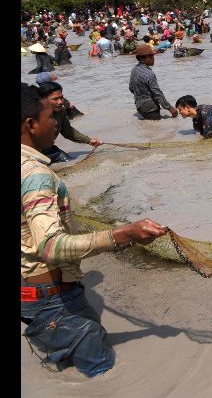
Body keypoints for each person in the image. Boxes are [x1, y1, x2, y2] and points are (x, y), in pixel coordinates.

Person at [21, 83, 169, 378]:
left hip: (31, 296)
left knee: (69, 367)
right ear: (31, 124)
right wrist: (122, 235)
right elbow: (50, 246)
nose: (56, 123)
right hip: (51, 298)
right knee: (102, 374)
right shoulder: (35, 175)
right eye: (51, 116)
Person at [35, 81, 102, 163]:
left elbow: (68, 131)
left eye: (61, 97)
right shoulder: (32, 115)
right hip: (30, 153)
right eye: (55, 99)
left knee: (69, 161)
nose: (60, 102)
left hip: (47, 149)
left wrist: (89, 141)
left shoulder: (61, 111)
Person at [129, 44, 178, 120]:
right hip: (150, 107)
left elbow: (131, 88)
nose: (153, 59)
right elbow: (157, 93)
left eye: (153, 56)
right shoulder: (149, 74)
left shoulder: (134, 70)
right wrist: (170, 108)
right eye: (150, 57)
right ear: (142, 59)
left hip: (139, 106)